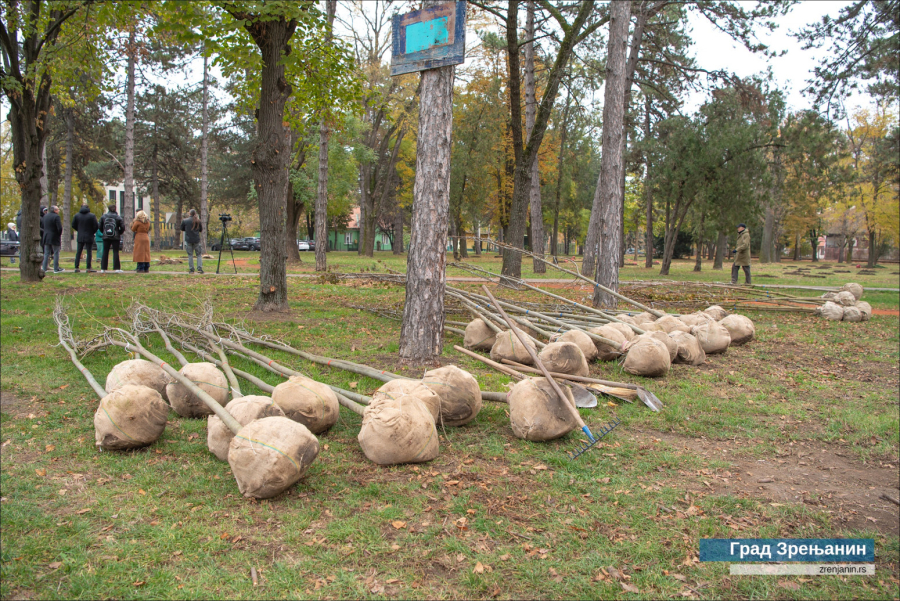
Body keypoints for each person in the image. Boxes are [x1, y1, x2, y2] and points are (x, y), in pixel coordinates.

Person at [71, 204, 99, 272]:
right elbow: (96, 226)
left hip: (80, 235)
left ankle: (76, 267)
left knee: (78, 251)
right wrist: (92, 231)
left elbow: (73, 225)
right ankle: (88, 267)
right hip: (89, 235)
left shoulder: (77, 215)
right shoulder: (92, 216)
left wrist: (79, 230)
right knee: (89, 251)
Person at [99, 203, 125, 273]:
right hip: (115, 237)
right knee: (115, 252)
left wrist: (104, 232)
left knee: (105, 251)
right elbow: (123, 227)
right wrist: (119, 233)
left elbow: (100, 226)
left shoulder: (103, 217)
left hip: (106, 236)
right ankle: (117, 268)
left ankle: (103, 268)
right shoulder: (118, 217)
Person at [180, 209, 204, 274]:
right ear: (195, 214)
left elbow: (182, 228)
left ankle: (191, 269)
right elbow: (200, 230)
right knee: (198, 255)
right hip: (196, 240)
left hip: (188, 240)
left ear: (189, 213)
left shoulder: (185, 221)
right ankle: (199, 268)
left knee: (190, 255)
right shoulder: (198, 221)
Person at [41, 205, 64, 273]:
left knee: (46, 253)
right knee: (56, 252)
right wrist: (59, 234)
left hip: (46, 236)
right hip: (54, 236)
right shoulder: (56, 217)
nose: (58, 211)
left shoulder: (45, 216)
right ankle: (56, 268)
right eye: (58, 209)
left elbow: (43, 226)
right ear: (55, 210)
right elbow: (59, 227)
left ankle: (44, 268)